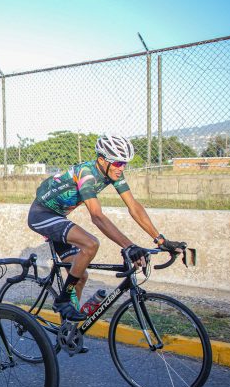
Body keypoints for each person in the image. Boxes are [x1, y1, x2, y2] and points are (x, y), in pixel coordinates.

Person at [28, 134, 186, 322]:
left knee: (80, 275)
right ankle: (62, 300)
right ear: (102, 160)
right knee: (91, 244)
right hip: (41, 215)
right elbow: (97, 216)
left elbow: (133, 207)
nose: (122, 168)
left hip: (59, 217)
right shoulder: (86, 174)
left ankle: (68, 328)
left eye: (125, 163)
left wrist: (160, 239)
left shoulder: (112, 173)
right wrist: (129, 246)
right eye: (118, 163)